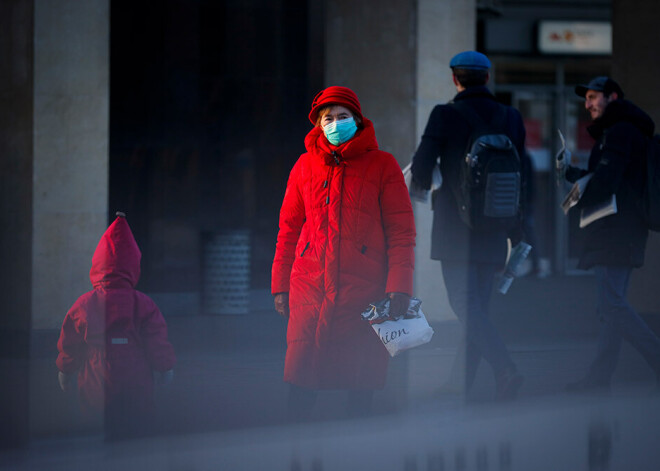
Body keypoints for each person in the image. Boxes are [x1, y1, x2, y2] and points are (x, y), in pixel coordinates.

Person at [271, 86, 416, 420]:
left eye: (342, 117)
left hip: (365, 287)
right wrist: (280, 285)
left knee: (361, 377)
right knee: (302, 373)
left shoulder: (383, 165)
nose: (335, 124)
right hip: (310, 284)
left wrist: (400, 284)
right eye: (328, 118)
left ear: (358, 119)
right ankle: (294, 447)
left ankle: (358, 448)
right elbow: (289, 230)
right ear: (318, 125)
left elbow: (401, 231)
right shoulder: (304, 166)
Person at [410, 51, 525, 401]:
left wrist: (420, 186)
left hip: (455, 230)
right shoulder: (510, 116)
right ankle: (460, 383)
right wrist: (517, 228)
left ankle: (505, 368)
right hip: (496, 226)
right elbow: (523, 176)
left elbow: (421, 167)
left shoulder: (445, 115)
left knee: (464, 306)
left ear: (455, 79)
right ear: (487, 78)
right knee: (477, 308)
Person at [560, 76, 660, 393]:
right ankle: (599, 378)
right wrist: (574, 173)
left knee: (610, 306)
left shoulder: (620, 132)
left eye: (593, 97)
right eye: (586, 98)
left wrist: (574, 191)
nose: (587, 104)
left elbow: (605, 183)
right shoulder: (624, 131)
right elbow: (605, 176)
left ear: (612, 97)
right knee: (611, 306)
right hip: (623, 228)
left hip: (615, 229)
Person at [56, 212, 176, 437]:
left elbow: (70, 342)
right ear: (133, 265)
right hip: (135, 374)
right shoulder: (143, 303)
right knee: (135, 429)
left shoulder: (84, 304)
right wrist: (165, 367)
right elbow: (156, 340)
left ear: (97, 263)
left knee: (99, 428)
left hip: (96, 375)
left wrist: (66, 370)